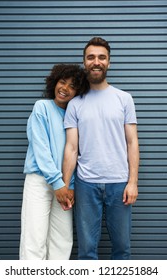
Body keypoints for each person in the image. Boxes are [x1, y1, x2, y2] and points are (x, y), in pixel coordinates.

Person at [62, 37, 139, 260]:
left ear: (109, 62)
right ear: (84, 62)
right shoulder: (75, 103)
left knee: (122, 249)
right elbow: (71, 147)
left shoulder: (124, 99)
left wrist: (132, 182)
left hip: (119, 183)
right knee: (86, 251)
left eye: (101, 57)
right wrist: (66, 186)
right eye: (91, 57)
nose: (96, 62)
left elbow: (132, 142)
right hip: (86, 184)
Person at [19, 64, 89, 260]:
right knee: (34, 239)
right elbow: (41, 149)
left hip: (65, 184)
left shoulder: (73, 116)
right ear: (54, 82)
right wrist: (58, 183)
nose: (65, 88)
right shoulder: (42, 107)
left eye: (72, 86)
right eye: (62, 82)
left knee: (62, 240)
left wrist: (70, 185)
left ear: (78, 92)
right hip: (41, 181)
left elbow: (75, 153)